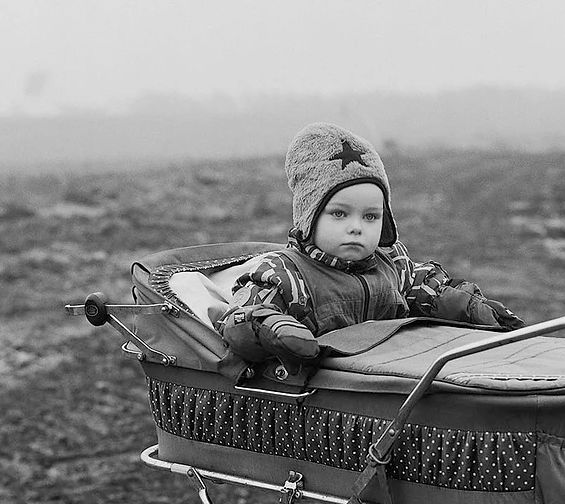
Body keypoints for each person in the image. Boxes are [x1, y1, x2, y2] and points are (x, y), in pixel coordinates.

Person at [219, 122, 523, 366]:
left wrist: (470, 308)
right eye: (339, 214)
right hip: (329, 397)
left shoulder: (393, 265)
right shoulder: (287, 274)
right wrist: (274, 330)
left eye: (370, 217)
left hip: (396, 379)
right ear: (309, 217)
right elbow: (241, 318)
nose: (356, 227)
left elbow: (432, 292)